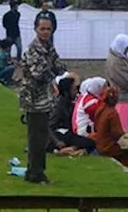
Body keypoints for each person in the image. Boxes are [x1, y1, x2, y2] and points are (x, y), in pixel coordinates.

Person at [18, 15, 65, 184]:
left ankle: (36, 171)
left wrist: (52, 69)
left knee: (42, 136)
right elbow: (40, 74)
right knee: (36, 137)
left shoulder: (49, 47)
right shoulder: (33, 49)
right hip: (34, 99)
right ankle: (35, 173)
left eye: (48, 29)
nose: (45, 32)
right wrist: (52, 70)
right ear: (36, 29)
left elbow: (59, 67)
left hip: (45, 98)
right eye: (42, 29)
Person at [92, 85, 128, 170]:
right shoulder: (112, 113)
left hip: (100, 140)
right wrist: (127, 134)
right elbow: (117, 134)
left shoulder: (101, 108)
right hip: (108, 145)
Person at [48, 73, 93, 156]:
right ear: (66, 92)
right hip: (60, 136)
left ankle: (70, 150)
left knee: (90, 141)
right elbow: (48, 126)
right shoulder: (59, 106)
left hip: (67, 134)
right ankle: (69, 149)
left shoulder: (69, 102)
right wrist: (57, 142)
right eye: (74, 90)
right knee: (88, 142)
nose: (76, 92)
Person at [72, 76, 106, 143]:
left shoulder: (89, 98)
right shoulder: (89, 101)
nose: (105, 90)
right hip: (85, 131)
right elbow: (98, 114)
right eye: (104, 87)